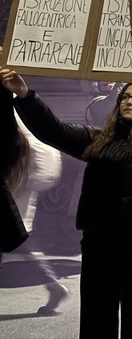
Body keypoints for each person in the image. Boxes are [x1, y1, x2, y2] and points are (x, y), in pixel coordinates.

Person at [0, 67, 132, 339]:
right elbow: (54, 130)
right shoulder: (96, 140)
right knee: (97, 318)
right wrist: (25, 95)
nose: (129, 101)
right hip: (99, 240)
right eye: (125, 97)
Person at [0, 82, 68, 314]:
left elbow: (15, 141)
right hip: (23, 170)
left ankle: (53, 285)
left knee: (16, 234)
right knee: (14, 234)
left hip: (21, 171)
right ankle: (53, 285)